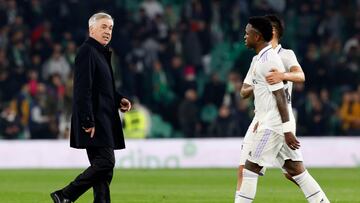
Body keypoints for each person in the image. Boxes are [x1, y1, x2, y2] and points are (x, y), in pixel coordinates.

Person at [235, 16, 329, 203]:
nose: (245, 36)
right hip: (264, 119)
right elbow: (244, 91)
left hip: (275, 122)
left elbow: (299, 78)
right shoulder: (258, 59)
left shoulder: (283, 56)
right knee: (295, 171)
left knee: (250, 168)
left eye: (248, 33)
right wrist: (259, 86)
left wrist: (283, 76)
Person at [50, 12, 132, 203]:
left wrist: (118, 99)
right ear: (91, 29)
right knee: (105, 163)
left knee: (104, 171)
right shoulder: (87, 51)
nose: (107, 31)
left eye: (110, 28)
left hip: (103, 117)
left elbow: (101, 87)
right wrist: (87, 120)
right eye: (103, 27)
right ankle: (65, 195)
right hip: (94, 120)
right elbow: (81, 89)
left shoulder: (100, 53)